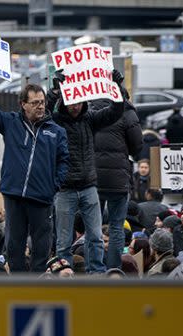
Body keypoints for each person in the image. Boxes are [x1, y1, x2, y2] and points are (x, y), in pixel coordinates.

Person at [0, 66, 69, 272]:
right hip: (14, 195)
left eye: (42, 102)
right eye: (34, 103)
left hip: (42, 198)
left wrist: (54, 185)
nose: (40, 106)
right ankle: (17, 287)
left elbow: (64, 161)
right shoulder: (10, 123)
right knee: (14, 248)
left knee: (42, 248)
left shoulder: (56, 131)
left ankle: (37, 287)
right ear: (23, 104)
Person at [46, 68, 124, 274]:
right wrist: (53, 93)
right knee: (63, 241)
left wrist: (117, 88)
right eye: (71, 102)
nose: (75, 106)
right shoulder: (56, 121)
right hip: (65, 189)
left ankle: (96, 274)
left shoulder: (90, 119)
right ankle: (65, 276)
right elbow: (42, 114)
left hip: (89, 187)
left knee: (96, 237)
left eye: (79, 102)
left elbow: (115, 112)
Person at [91, 85, 142, 269]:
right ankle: (114, 270)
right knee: (117, 227)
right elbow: (137, 146)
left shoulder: (90, 109)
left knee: (94, 227)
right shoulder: (127, 112)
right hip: (118, 179)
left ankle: (94, 269)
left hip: (93, 178)